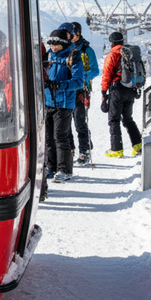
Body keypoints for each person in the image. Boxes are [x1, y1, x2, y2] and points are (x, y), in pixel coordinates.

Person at [44, 28, 84, 183]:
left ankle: (64, 170)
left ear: (64, 43)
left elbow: (78, 81)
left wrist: (60, 85)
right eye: (51, 43)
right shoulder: (48, 56)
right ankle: (51, 167)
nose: (53, 46)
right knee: (48, 137)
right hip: (48, 102)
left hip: (64, 103)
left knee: (60, 137)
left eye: (57, 43)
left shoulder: (73, 56)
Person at [100, 30, 142, 157]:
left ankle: (116, 149)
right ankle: (137, 145)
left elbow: (107, 74)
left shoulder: (112, 54)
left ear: (112, 43)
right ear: (122, 41)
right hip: (130, 89)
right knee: (128, 119)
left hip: (117, 89)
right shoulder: (129, 53)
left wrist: (103, 91)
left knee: (114, 119)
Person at [66, 21, 100, 165]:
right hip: (66, 89)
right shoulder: (64, 48)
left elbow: (94, 70)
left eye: (73, 34)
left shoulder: (86, 50)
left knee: (79, 121)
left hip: (80, 90)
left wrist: (81, 76)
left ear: (78, 34)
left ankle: (84, 151)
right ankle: (70, 150)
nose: (71, 37)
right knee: (65, 123)